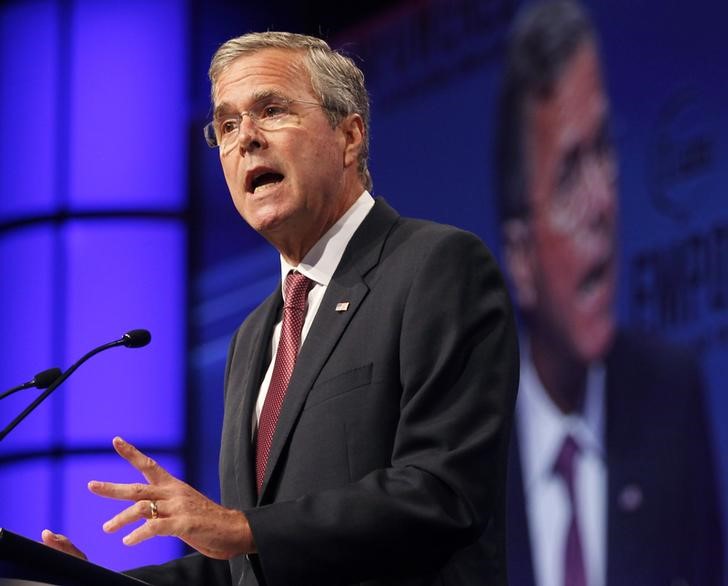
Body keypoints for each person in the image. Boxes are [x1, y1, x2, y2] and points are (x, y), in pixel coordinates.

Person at [42, 31, 519, 585]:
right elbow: (249, 566)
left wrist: (243, 529)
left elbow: (444, 491)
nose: (245, 138)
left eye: (271, 110)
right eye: (225, 125)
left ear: (349, 136)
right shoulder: (252, 338)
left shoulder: (435, 266)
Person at [494, 2, 724, 585]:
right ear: (520, 259)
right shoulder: (463, 461)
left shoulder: (671, 399)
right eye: (570, 173)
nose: (603, 203)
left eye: (603, 151)